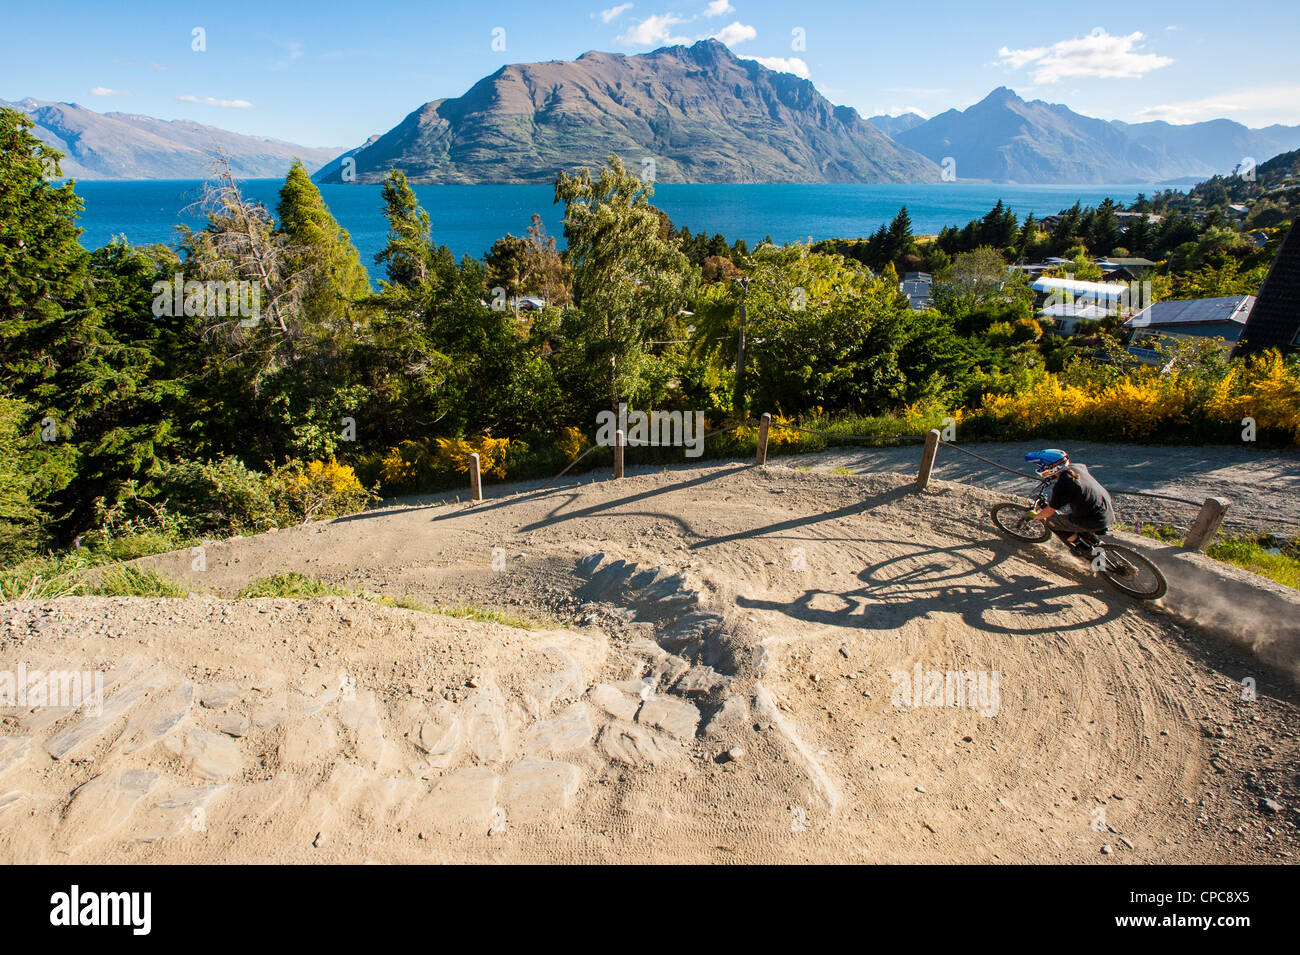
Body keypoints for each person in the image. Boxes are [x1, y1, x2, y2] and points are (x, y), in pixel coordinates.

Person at [1024, 449, 1116, 560]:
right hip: (1106, 511)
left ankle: (1081, 547)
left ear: (1051, 468)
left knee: (1052, 522)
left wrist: (1035, 516)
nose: (1041, 469)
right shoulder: (1078, 467)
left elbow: (1050, 511)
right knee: (1073, 516)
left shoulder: (1063, 485)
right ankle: (1093, 540)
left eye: (1043, 467)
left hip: (1093, 519)